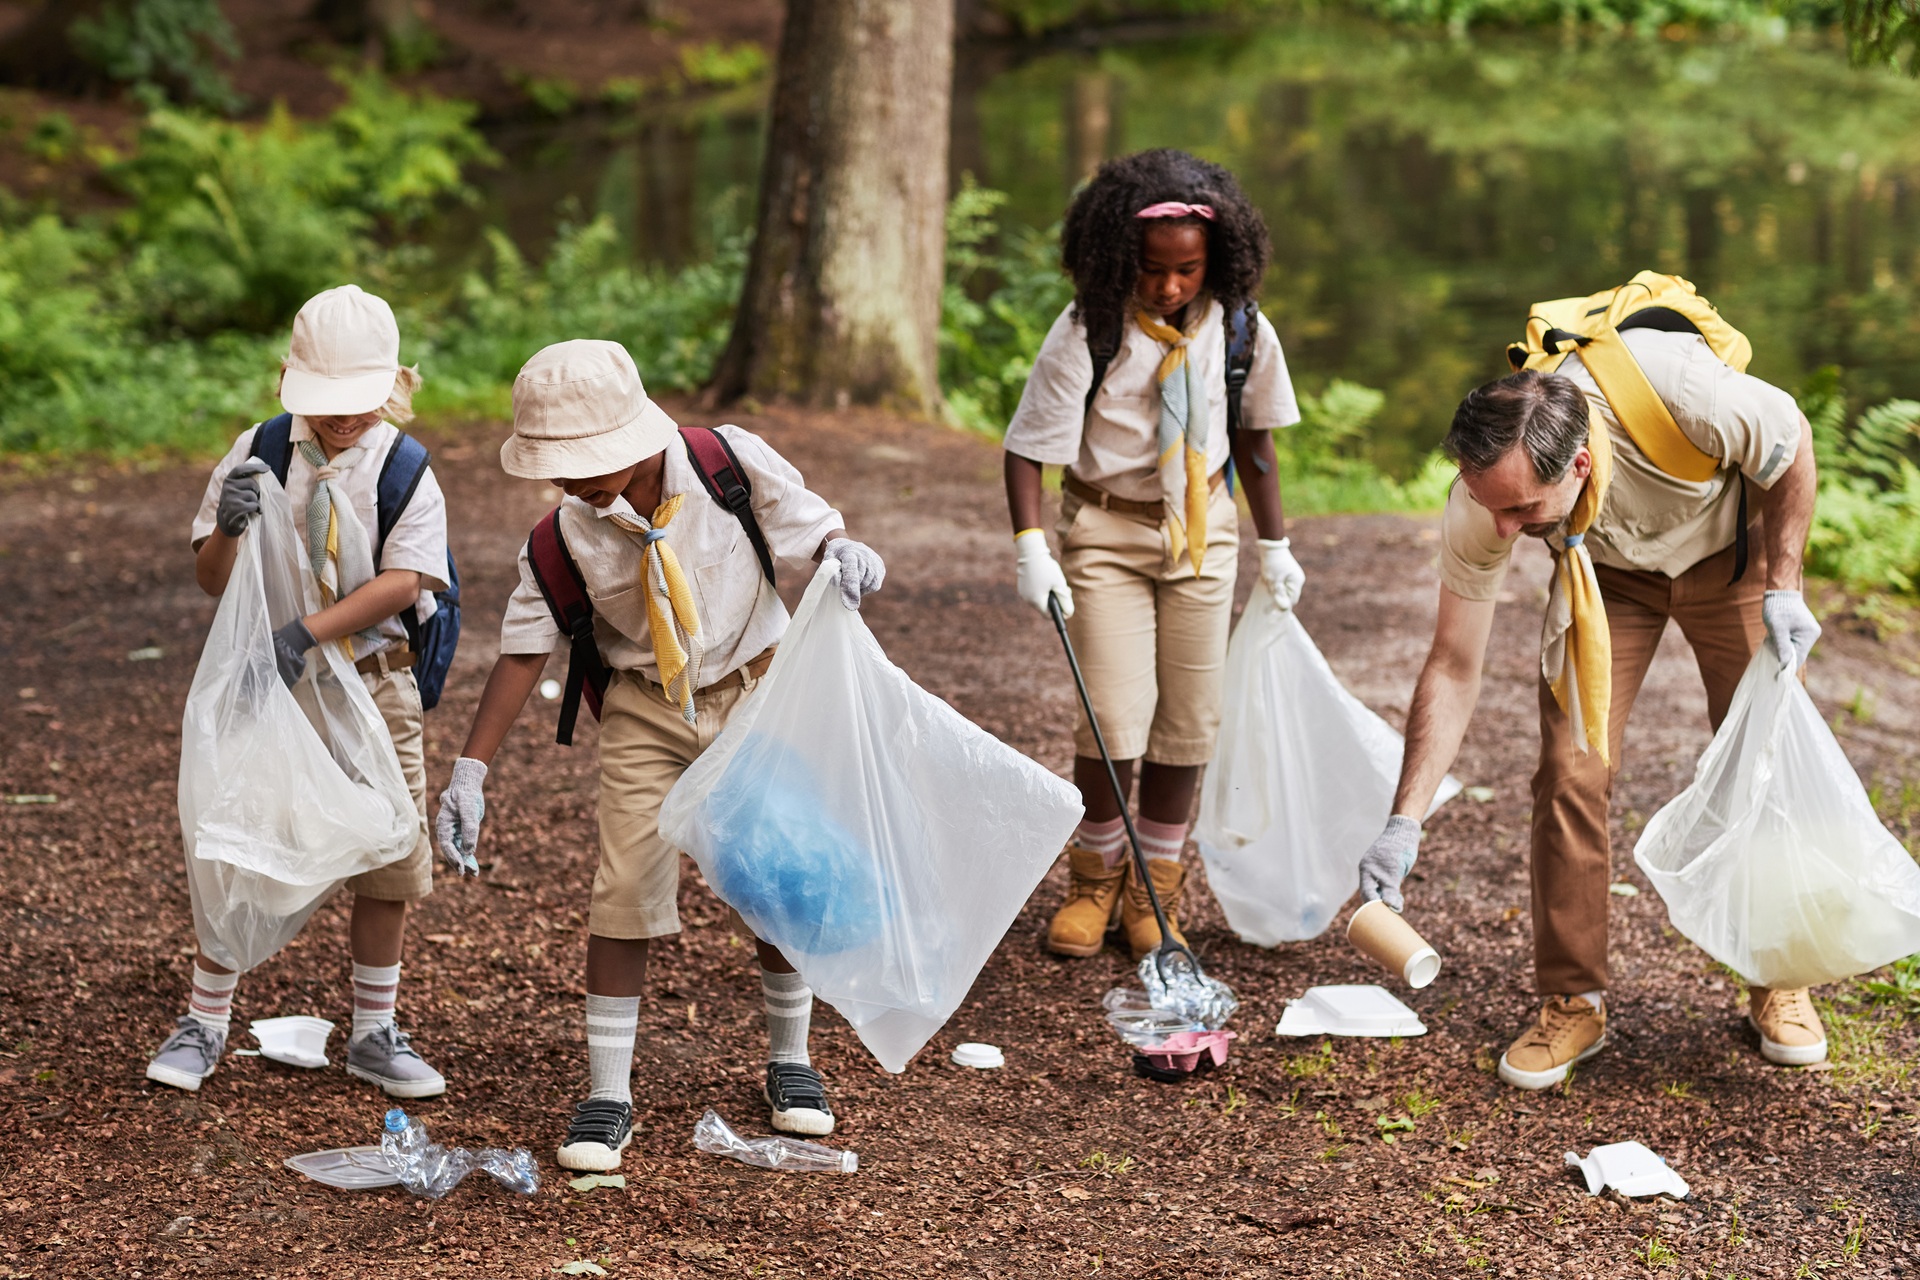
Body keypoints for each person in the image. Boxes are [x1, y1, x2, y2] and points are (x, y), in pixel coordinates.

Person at [434, 339, 886, 1173]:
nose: (575, 483)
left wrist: (841, 555)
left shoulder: (727, 464)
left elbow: (811, 529)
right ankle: (608, 1093)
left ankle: (792, 1063)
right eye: (560, 470)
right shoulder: (562, 535)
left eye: (589, 462)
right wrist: (471, 769)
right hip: (646, 709)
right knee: (624, 888)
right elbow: (524, 651)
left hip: (757, 689)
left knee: (777, 873)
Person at [1358, 334, 1824, 1089]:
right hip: (1604, 576)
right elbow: (1452, 664)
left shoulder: (1684, 392)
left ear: (1577, 465)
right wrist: (1403, 821)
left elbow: (1792, 439)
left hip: (1730, 557)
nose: (1504, 530)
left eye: (1520, 509)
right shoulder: (1486, 504)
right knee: (1570, 770)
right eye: (1490, 507)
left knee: (1762, 758)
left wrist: (1786, 582)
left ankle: (1780, 974)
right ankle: (1575, 997)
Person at [148, 284, 451, 1099]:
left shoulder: (404, 470)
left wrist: (307, 633)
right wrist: (229, 528)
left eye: (357, 403)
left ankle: (373, 1031)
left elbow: (406, 581)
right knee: (242, 836)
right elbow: (212, 578)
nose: (342, 420)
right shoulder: (262, 448)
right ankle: (205, 1020)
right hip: (271, 689)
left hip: (371, 678)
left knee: (387, 856)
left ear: (392, 385)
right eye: (328, 403)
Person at [1002, 148, 1304, 961]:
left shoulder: (1239, 328)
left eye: (1188, 271)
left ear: (1218, 260)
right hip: (1106, 531)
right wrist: (1034, 545)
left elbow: (1257, 440)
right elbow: (1028, 450)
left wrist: (1274, 545)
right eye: (1153, 270)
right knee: (1110, 713)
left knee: (1188, 720)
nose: (1170, 287)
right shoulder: (1089, 330)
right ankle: (1096, 875)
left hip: (1204, 535)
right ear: (1117, 257)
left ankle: (1155, 884)